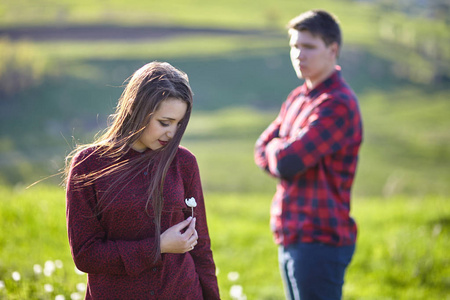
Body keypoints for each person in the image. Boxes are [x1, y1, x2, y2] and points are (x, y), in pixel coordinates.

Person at [65, 61, 220, 299]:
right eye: (164, 123)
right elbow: (86, 255)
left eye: (179, 124)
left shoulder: (184, 162)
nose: (172, 133)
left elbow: (201, 249)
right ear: (137, 110)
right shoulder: (89, 165)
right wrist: (157, 247)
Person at [254, 10, 363, 300]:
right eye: (295, 46)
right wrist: (282, 149)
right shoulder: (297, 98)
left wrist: (279, 150)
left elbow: (288, 162)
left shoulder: (337, 104)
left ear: (333, 50)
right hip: (291, 233)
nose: (299, 54)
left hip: (320, 239)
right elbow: (260, 147)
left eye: (309, 47)